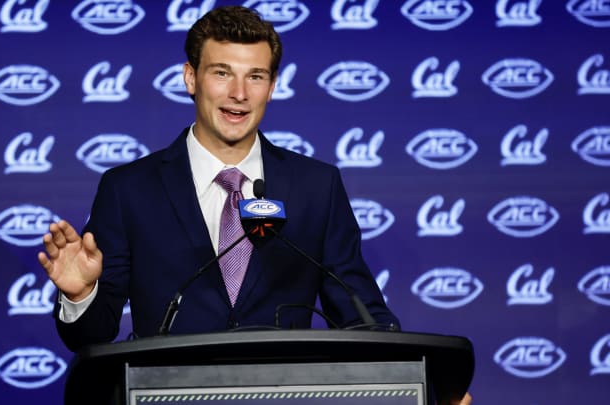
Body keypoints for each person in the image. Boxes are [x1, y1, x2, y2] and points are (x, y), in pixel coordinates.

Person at [39, 6, 472, 405]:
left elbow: (362, 317)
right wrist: (80, 294)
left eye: (256, 76)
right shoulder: (129, 189)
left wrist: (428, 391)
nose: (239, 93)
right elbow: (92, 335)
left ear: (273, 86)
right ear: (191, 78)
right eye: (222, 73)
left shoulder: (315, 186)